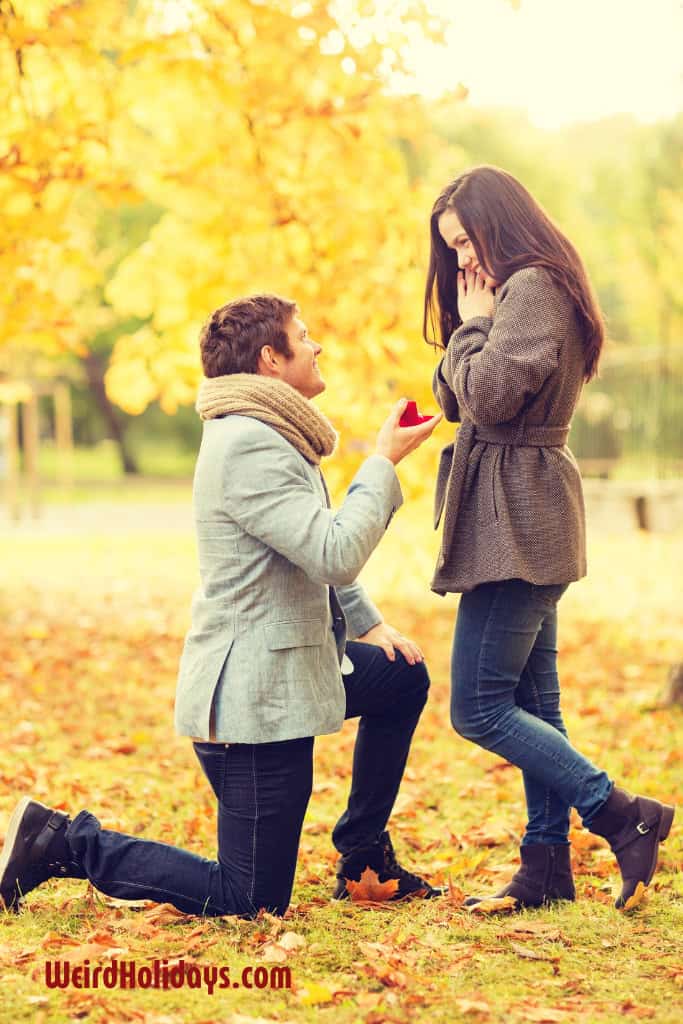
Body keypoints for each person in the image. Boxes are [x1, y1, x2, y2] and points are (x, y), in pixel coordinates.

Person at [0, 294, 443, 917]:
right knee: (251, 898)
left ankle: (365, 858)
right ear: (271, 357)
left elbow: (300, 547)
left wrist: (370, 624)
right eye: (305, 335)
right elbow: (332, 550)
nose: (317, 346)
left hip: (289, 670)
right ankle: (66, 842)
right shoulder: (249, 446)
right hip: (253, 707)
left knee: (400, 677)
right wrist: (382, 461)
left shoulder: (270, 434)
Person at [424, 166, 675, 912]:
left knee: (477, 705)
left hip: (518, 514)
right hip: (513, 507)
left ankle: (620, 813)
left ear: (499, 223)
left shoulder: (532, 286)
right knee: (536, 701)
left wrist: (473, 326)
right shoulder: (507, 293)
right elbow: (450, 397)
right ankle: (545, 870)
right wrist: (470, 323)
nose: (462, 259)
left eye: (467, 240)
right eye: (451, 248)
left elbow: (489, 396)